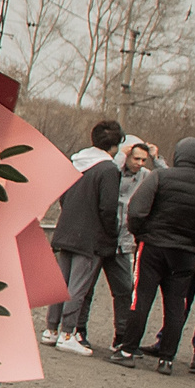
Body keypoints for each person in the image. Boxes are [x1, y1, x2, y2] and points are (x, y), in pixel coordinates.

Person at [41, 119, 126, 356]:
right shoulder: (108, 169)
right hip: (88, 237)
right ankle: (68, 333)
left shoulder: (78, 161)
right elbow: (108, 208)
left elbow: (63, 196)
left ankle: (51, 329)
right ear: (115, 144)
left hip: (65, 229)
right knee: (77, 287)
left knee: (62, 284)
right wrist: (111, 233)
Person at [122, 139, 195, 373]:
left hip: (154, 245)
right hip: (187, 252)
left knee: (142, 297)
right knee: (177, 303)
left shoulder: (161, 177)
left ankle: (127, 350)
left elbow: (137, 210)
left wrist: (141, 233)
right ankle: (166, 359)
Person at [108, 139, 156, 365]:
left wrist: (156, 158)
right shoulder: (114, 171)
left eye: (143, 160)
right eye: (135, 158)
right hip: (105, 236)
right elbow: (112, 167)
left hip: (125, 242)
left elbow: (169, 177)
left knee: (125, 290)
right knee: (85, 288)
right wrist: (121, 156)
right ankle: (77, 330)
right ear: (126, 156)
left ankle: (121, 336)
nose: (139, 163)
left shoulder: (146, 175)